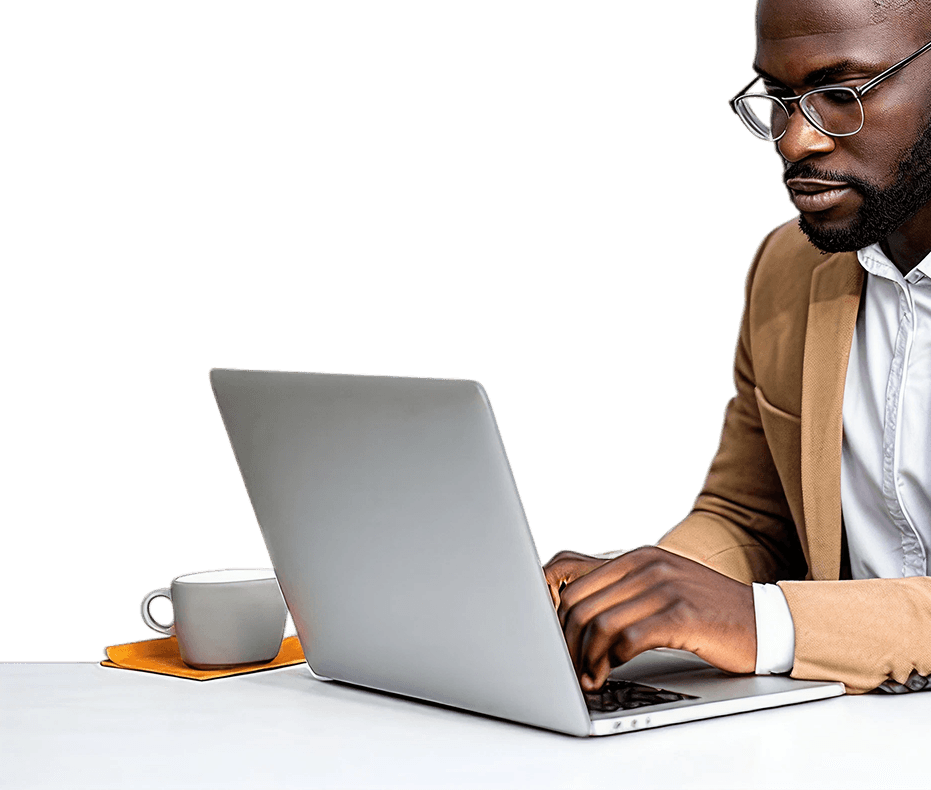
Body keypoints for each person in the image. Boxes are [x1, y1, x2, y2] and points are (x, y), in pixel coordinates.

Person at [543, 0, 931, 696]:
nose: (793, 142)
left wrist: (766, 623)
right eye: (779, 99)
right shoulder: (788, 268)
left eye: (840, 95)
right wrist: (623, 590)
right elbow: (749, 518)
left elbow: (758, 611)